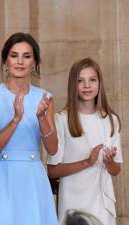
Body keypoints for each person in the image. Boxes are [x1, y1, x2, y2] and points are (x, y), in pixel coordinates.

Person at [0, 32, 58, 225]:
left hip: (33, 178)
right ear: (5, 60)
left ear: (35, 63)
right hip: (1, 177)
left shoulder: (44, 97)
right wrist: (15, 119)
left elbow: (53, 149)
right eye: (14, 55)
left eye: (27, 56)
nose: (20, 61)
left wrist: (41, 118)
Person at [47, 58, 122, 225]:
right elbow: (52, 171)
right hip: (73, 201)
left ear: (99, 83)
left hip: (101, 201)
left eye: (92, 80)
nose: (87, 85)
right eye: (80, 81)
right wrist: (87, 162)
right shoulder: (61, 119)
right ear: (73, 85)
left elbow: (116, 169)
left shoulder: (111, 120)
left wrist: (109, 162)